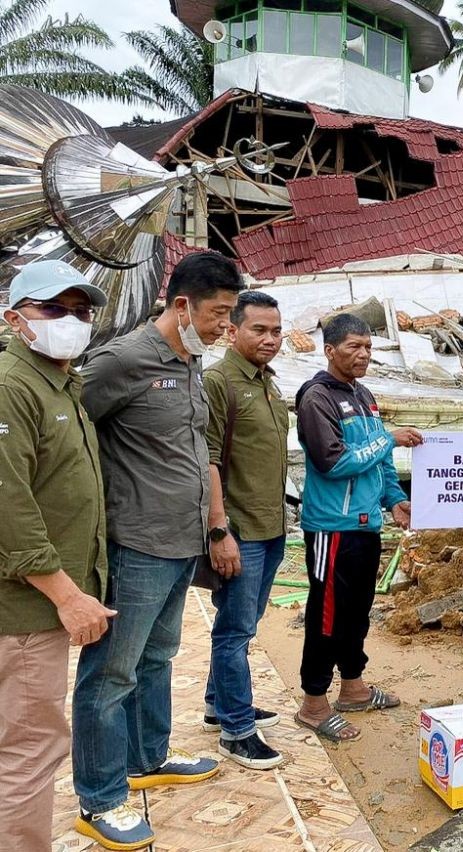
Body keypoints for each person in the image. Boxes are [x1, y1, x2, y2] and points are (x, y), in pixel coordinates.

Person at [72, 251, 244, 849]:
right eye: (220, 314)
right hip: (136, 543)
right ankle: (100, 797)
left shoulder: (191, 361)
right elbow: (72, 431)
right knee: (111, 672)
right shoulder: (122, 360)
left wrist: (215, 526)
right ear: (181, 306)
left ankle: (148, 757)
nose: (225, 326)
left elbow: (193, 450)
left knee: (159, 657)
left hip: (182, 541)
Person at [0, 262, 116, 852]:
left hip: (35, 602)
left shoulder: (58, 381)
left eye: (81, 311)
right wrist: (67, 595)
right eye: (55, 309)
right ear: (15, 318)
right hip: (22, 607)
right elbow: (8, 504)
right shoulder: (11, 384)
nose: (71, 321)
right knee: (28, 748)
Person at [294, 314, 421, 743]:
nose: (364, 354)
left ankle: (353, 687)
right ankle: (314, 703)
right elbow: (334, 462)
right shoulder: (316, 399)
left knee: (356, 611)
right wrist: (389, 438)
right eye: (354, 346)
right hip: (332, 527)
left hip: (367, 525)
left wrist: (395, 500)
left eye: (368, 346)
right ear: (330, 350)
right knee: (327, 615)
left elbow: (380, 462)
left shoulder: (363, 395)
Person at [202, 291, 289, 770]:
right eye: (259, 329)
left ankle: (220, 704)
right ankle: (237, 731)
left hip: (271, 525)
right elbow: (208, 459)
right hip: (240, 530)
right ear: (233, 330)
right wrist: (220, 531)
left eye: (276, 330)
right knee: (234, 631)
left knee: (243, 626)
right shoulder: (220, 381)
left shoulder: (267, 382)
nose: (270, 339)